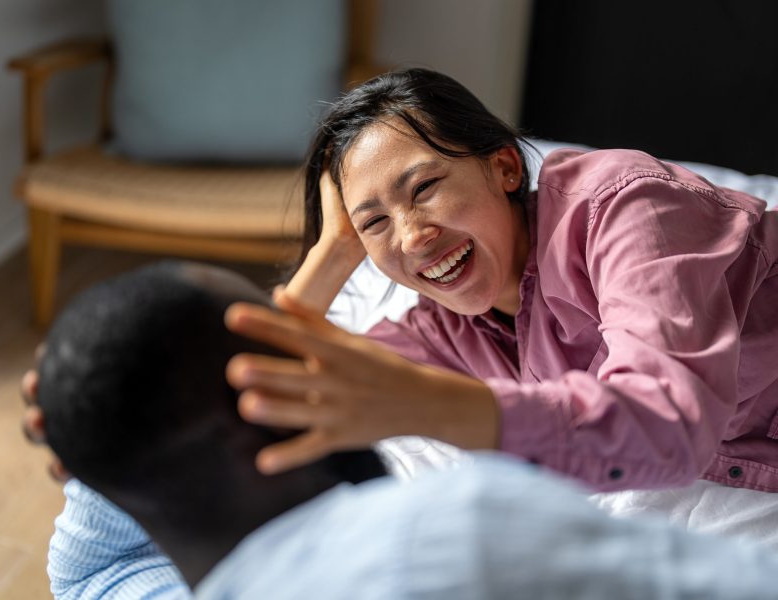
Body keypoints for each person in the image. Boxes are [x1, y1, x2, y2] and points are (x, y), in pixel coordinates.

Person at [33, 260, 778, 599]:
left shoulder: (152, 579)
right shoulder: (451, 533)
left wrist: (99, 441)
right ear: (261, 407)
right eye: (300, 342)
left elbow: (87, 574)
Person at [217, 68, 778, 496]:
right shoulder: (451, 331)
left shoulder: (628, 209)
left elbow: (668, 425)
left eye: (425, 187)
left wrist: (434, 404)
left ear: (505, 168)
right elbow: (255, 392)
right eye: (374, 223)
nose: (412, 237)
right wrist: (334, 251)